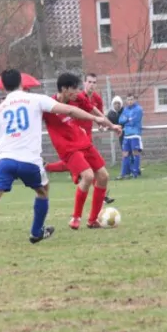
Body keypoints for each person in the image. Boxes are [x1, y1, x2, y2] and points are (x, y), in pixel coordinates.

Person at [0, 69, 110, 252]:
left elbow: (0, 135)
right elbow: (69, 109)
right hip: (29, 161)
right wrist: (97, 119)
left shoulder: (0, 109)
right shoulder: (35, 99)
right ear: (22, 83)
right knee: (43, 190)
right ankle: (36, 232)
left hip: (5, 160)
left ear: (4, 87)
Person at [43, 73, 121, 230]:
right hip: (67, 148)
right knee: (88, 175)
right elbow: (73, 112)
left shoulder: (77, 98)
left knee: (103, 176)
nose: (77, 92)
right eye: (73, 89)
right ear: (64, 89)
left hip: (83, 141)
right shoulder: (47, 105)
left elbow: (96, 112)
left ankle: (93, 220)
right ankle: (75, 218)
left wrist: (111, 126)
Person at [118, 92, 143, 179]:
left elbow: (134, 121)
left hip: (135, 135)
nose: (130, 101)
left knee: (135, 153)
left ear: (134, 99)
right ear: (126, 101)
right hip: (126, 135)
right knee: (125, 154)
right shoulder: (125, 109)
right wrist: (127, 119)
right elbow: (120, 120)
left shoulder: (139, 109)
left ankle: (135, 173)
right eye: (128, 100)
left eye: (131, 99)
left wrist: (127, 119)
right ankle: (123, 174)